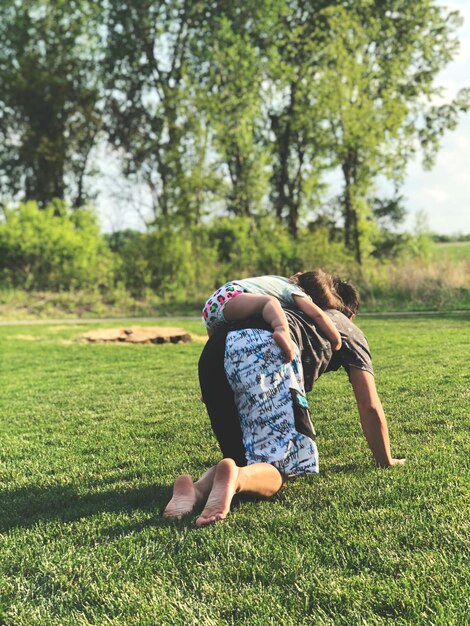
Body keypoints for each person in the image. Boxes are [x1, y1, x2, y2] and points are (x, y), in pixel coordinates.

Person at [164, 276, 405, 527]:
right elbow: (369, 405)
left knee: (243, 456)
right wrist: (385, 460)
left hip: (214, 351)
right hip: (259, 350)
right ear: (349, 313)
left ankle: (197, 490)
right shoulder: (345, 326)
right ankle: (235, 478)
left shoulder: (280, 305)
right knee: (279, 466)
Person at [202, 274, 342, 362]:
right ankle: (281, 331)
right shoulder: (295, 290)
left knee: (215, 352)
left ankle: (211, 383)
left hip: (212, 305)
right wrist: (336, 340)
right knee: (269, 302)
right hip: (231, 297)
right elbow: (317, 314)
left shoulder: (278, 281)